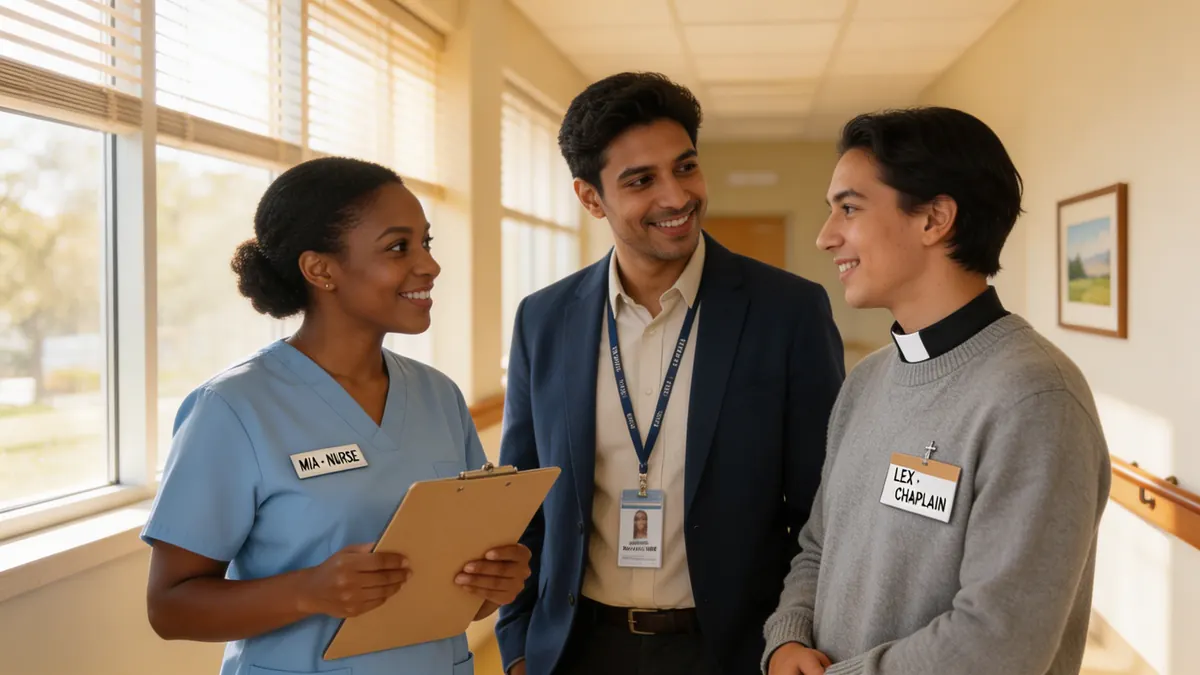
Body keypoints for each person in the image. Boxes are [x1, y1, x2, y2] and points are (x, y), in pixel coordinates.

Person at [495, 72, 846, 675]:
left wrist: (795, 636)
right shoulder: (544, 319)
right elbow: (523, 497)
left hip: (734, 649)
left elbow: (824, 506)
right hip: (577, 648)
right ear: (590, 197)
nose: (676, 196)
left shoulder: (787, 311)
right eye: (641, 180)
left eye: (685, 168)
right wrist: (519, 645)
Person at [141, 156, 532, 675]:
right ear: (320, 269)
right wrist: (307, 592)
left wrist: (494, 584)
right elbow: (169, 608)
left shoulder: (439, 395)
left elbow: (463, 590)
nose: (429, 265)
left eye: (426, 243)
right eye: (398, 247)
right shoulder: (234, 407)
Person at [763, 107, 1112, 675]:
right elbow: (818, 548)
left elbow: (1000, 642)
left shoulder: (1036, 397)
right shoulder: (867, 381)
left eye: (848, 208)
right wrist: (787, 638)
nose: (826, 237)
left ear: (934, 219)